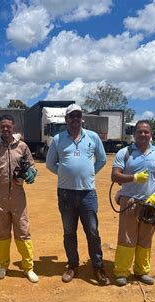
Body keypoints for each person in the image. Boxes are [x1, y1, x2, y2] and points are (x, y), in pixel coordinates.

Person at [46, 103, 109, 285]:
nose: (75, 119)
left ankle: (98, 267)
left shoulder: (92, 137)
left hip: (87, 193)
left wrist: (89, 173)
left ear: (82, 118)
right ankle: (72, 265)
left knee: (92, 231)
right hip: (65, 194)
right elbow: (50, 164)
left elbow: (102, 159)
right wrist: (65, 174)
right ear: (66, 119)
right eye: (71, 116)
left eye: (78, 116)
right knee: (69, 232)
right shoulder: (58, 140)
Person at [111, 120, 155, 286]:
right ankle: (121, 272)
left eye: (146, 132)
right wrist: (134, 177)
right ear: (134, 135)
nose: (143, 134)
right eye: (139, 131)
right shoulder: (125, 153)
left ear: (151, 134)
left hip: (151, 205)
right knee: (126, 238)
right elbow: (115, 176)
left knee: (146, 238)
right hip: (130, 202)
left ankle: (142, 271)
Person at [0, 114, 39, 283]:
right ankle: (3, 265)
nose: (6, 129)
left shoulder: (22, 146)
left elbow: (31, 165)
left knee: (23, 231)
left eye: (8, 126)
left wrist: (31, 173)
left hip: (18, 195)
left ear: (13, 127)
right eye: (3, 126)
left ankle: (28, 267)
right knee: (2, 233)